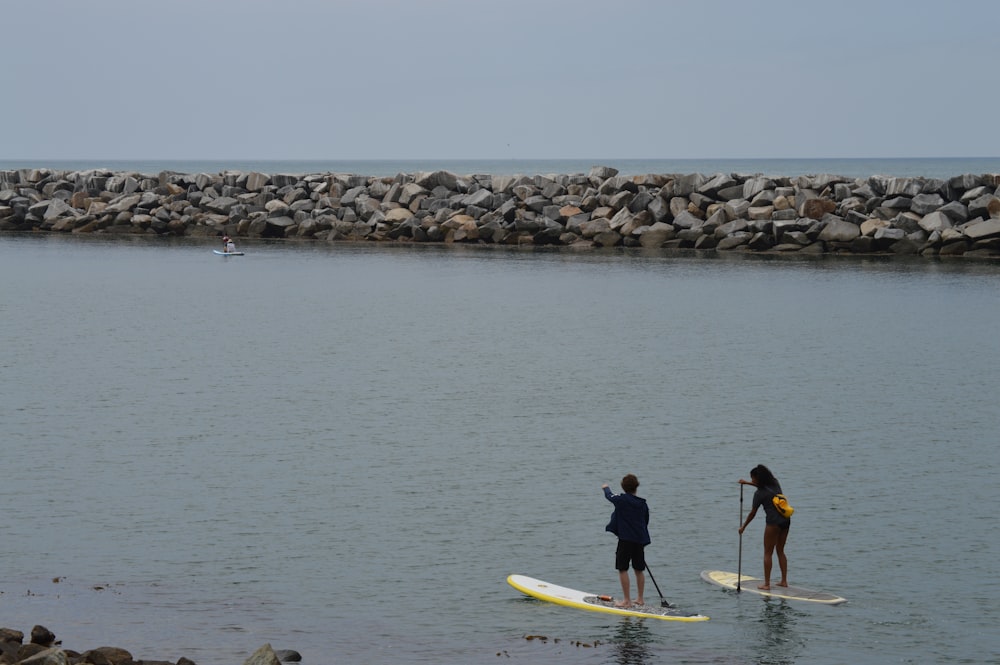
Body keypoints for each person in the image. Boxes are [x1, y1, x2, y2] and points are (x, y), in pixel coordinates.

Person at [602, 474, 651, 607]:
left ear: (623, 487)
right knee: (639, 569)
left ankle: (627, 601)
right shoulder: (642, 504)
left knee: (622, 568)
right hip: (639, 540)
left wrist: (605, 487)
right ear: (637, 487)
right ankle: (640, 599)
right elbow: (645, 521)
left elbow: (609, 496)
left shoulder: (622, 500)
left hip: (625, 540)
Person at [738, 464, 790, 590]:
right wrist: (746, 483)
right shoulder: (775, 483)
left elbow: (752, 513)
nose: (752, 481)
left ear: (758, 478)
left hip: (773, 523)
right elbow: (762, 486)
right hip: (786, 521)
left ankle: (766, 584)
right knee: (780, 551)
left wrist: (743, 527)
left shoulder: (759, 494)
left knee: (767, 553)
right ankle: (784, 581)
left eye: (752, 479)